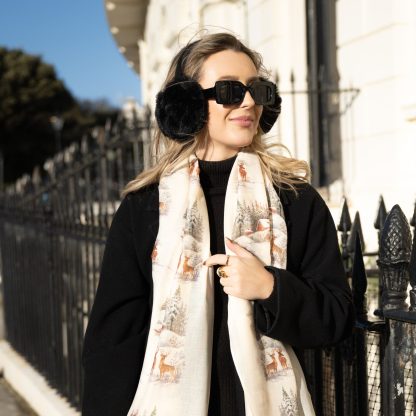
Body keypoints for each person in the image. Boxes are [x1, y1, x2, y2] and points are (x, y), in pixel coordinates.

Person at [82, 32, 354, 416]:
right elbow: (113, 343)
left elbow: (337, 316)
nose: (247, 102)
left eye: (255, 90)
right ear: (187, 105)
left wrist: (270, 288)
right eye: (227, 91)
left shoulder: (295, 199)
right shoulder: (145, 209)